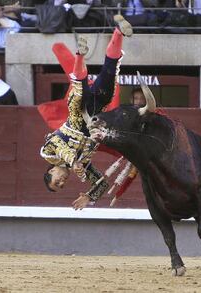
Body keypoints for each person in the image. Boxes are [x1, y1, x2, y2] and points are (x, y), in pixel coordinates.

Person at [40, 15, 133, 210]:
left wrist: (74, 161)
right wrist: (90, 197)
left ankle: (80, 55)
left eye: (57, 182)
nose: (63, 182)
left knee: (79, 88)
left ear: (51, 171)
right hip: (98, 109)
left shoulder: (47, 154)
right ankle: (118, 31)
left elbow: (58, 143)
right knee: (110, 71)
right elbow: (102, 183)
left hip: (78, 112)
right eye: (62, 186)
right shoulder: (83, 165)